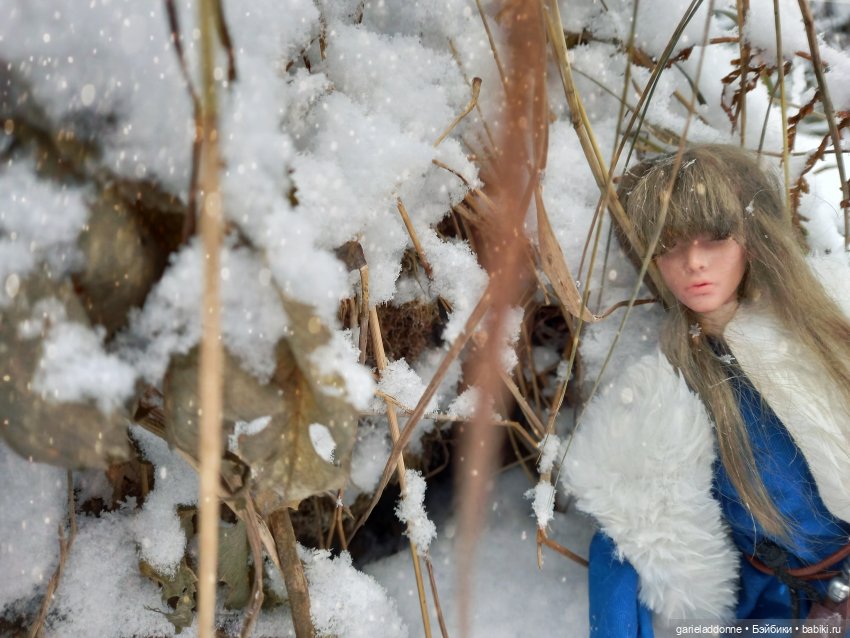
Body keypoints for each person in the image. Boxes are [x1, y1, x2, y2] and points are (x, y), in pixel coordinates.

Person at [561, 144, 850, 637]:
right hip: (768, 610)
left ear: (752, 238)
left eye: (715, 238)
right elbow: (644, 531)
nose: (694, 262)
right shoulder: (665, 389)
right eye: (669, 244)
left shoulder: (824, 334)